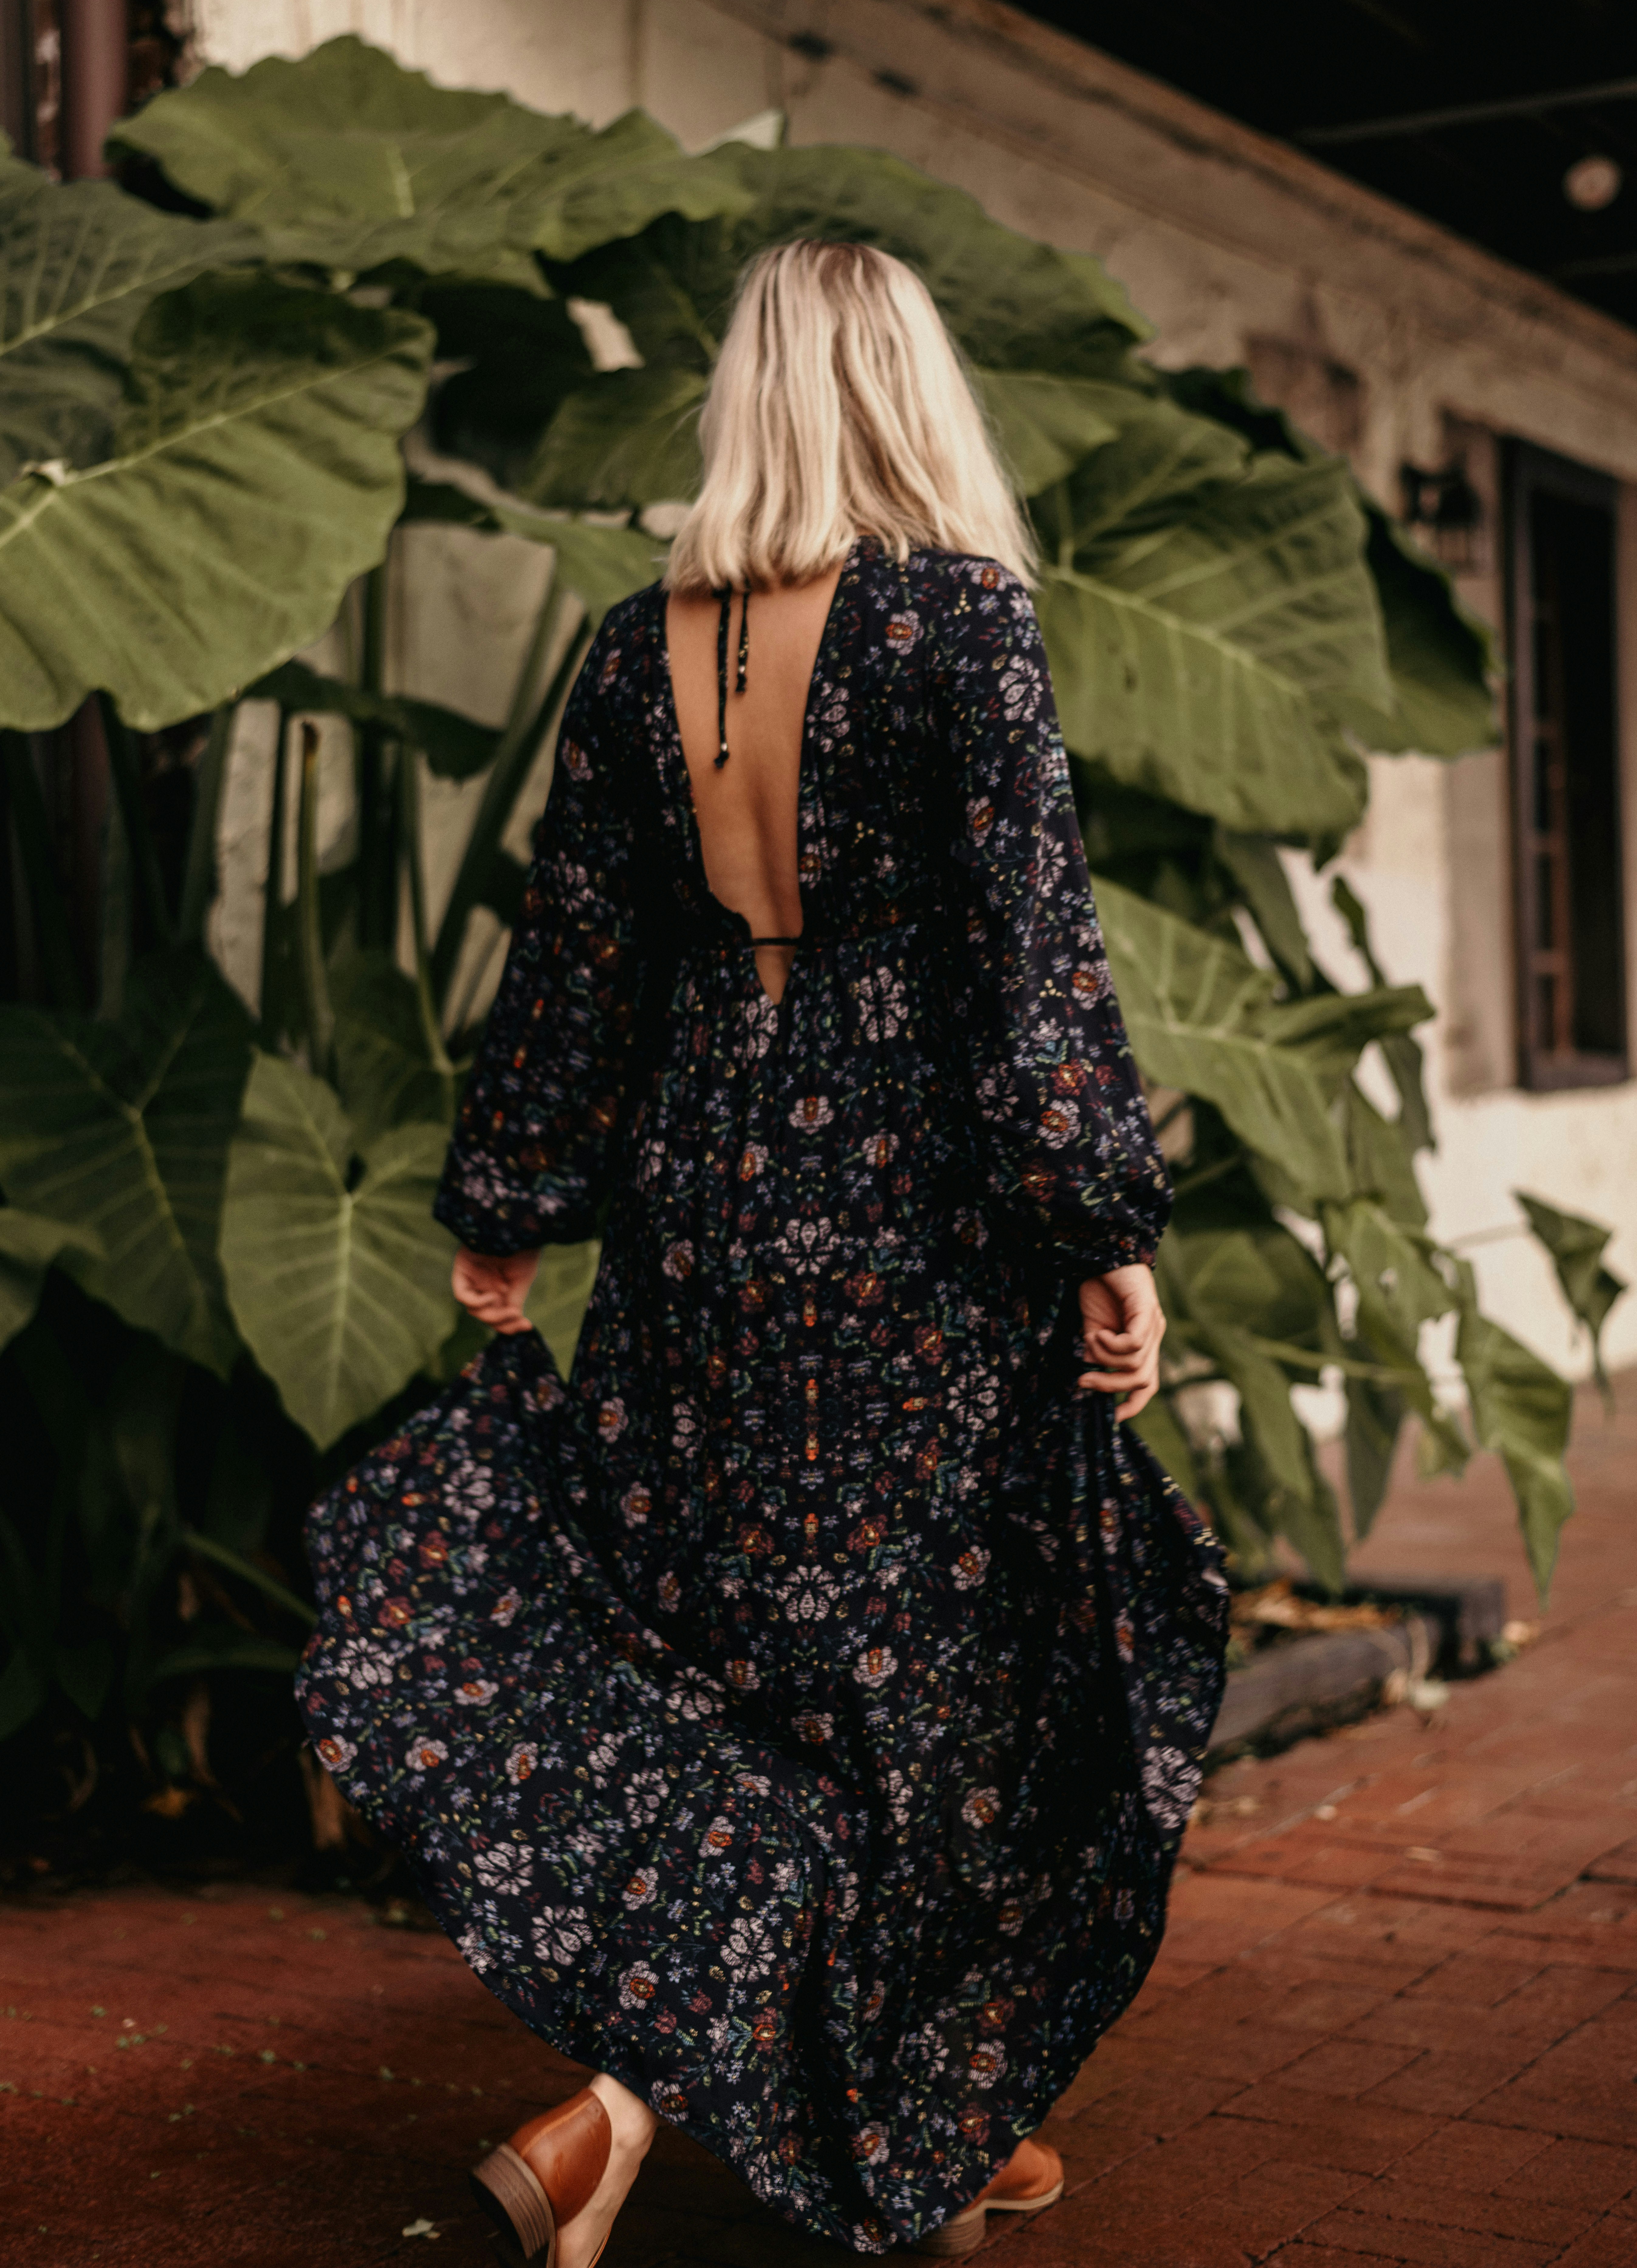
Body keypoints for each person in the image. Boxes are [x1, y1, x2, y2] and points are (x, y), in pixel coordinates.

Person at [298, 238, 1227, 2264]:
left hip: (705, 1191)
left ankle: (883, 2115)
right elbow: (1031, 953)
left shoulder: (641, 646)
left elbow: (580, 948)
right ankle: (687, 2104)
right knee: (946, 1673)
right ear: (909, 393)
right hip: (918, 1212)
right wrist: (1098, 1227)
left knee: (731, 1656)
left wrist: (514, 1199)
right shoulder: (960, 621)